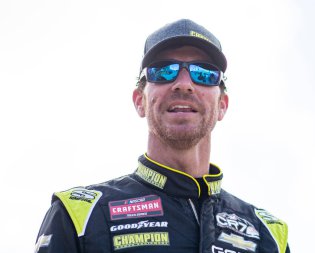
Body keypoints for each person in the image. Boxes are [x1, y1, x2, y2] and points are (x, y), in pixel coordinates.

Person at [35, 19, 290, 253]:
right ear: (140, 101)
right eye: (164, 70)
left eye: (203, 73)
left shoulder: (269, 233)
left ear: (222, 104)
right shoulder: (80, 214)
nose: (184, 83)